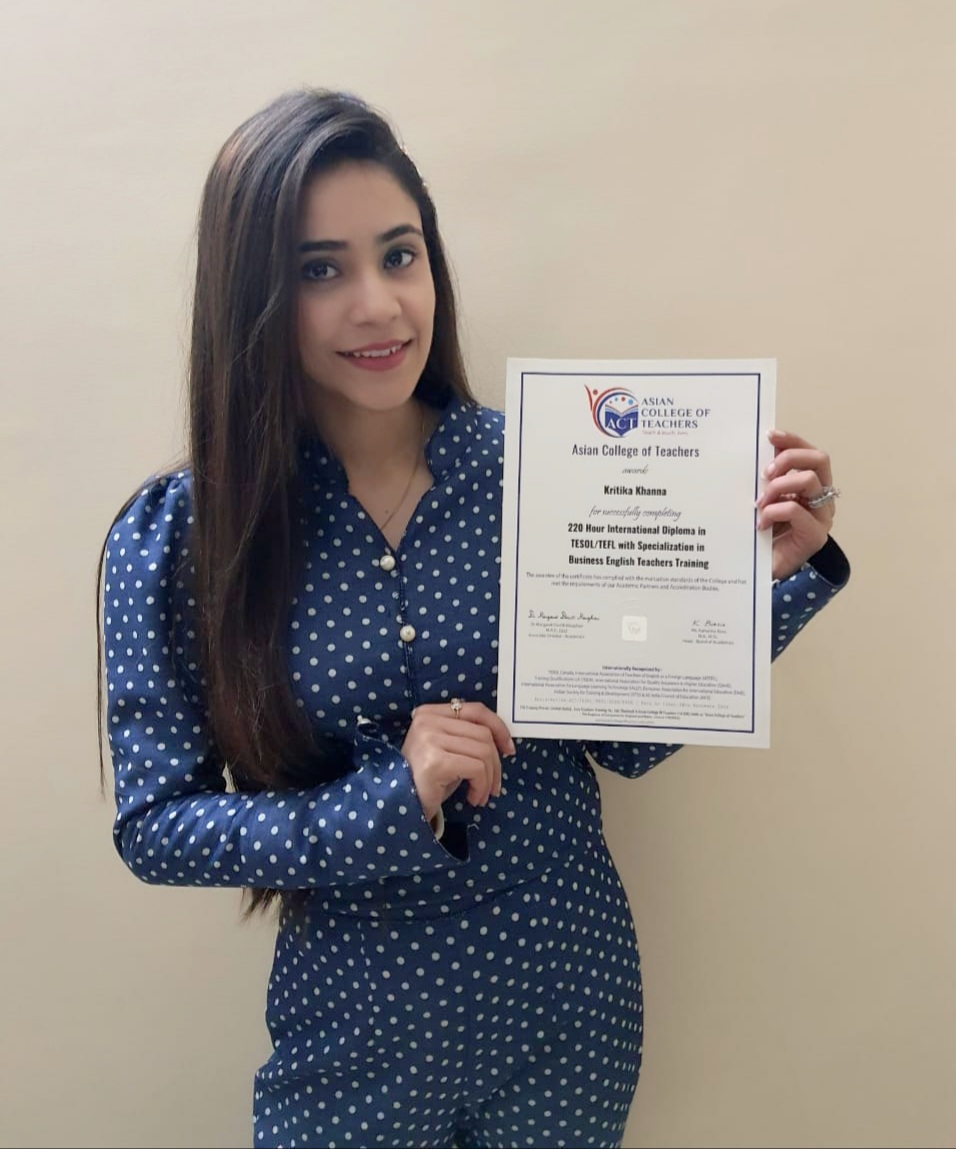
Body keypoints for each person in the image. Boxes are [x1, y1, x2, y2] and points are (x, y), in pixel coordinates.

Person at [98, 88, 849, 1149]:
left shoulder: (552, 468)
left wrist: (767, 582)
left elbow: (628, 741)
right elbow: (155, 828)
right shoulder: (186, 534)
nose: (379, 305)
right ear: (251, 296)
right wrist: (385, 800)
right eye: (320, 270)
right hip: (353, 1036)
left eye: (399, 255)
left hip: (568, 1007)